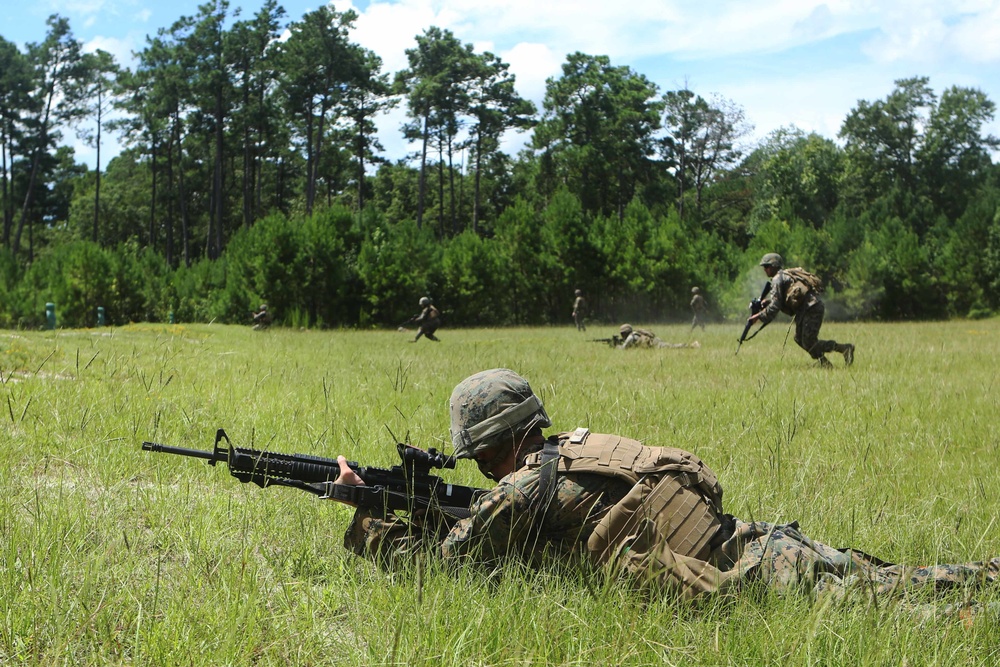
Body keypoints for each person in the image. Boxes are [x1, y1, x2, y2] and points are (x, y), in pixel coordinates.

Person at [336, 368, 1000, 606]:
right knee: (893, 577)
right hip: (761, 541)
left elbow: (442, 568)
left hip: (742, 585)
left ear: (495, 443)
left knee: (900, 608)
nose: (480, 469)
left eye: (480, 456)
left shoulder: (521, 494)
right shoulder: (584, 450)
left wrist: (369, 518)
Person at [747, 253, 854, 368]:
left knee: (808, 341)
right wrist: (768, 302)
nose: (765, 270)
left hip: (811, 308)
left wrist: (759, 316)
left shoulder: (777, 279)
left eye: (767, 266)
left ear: (774, 266)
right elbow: (784, 298)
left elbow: (775, 306)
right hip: (807, 308)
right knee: (799, 339)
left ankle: (843, 349)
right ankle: (825, 363)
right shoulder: (785, 276)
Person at [618, 324, 699, 350]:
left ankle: (692, 345)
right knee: (671, 346)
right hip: (655, 341)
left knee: (672, 347)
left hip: (655, 344)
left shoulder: (631, 337)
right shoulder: (636, 334)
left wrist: (616, 346)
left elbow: (624, 348)